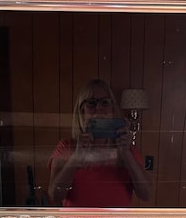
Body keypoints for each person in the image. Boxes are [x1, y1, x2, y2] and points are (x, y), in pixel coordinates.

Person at [48, 79, 151, 207]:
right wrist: (77, 156)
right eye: (91, 103)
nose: (98, 108)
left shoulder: (126, 149)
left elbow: (146, 194)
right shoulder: (67, 147)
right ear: (82, 111)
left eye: (105, 103)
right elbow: (55, 195)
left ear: (113, 110)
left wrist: (126, 154)